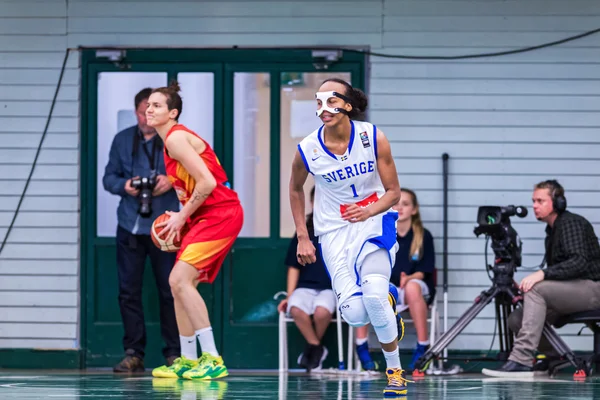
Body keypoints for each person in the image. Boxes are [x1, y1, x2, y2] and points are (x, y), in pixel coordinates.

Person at [289, 78, 410, 396]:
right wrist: (304, 235)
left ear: (347, 104)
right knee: (356, 316)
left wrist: (368, 211)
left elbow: (394, 192)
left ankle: (394, 373)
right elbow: (294, 189)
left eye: (331, 100)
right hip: (332, 231)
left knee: (372, 293)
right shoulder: (308, 149)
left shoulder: (373, 137)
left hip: (374, 221)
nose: (323, 108)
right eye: (318, 101)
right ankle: (387, 298)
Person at [144, 81, 244, 380]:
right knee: (179, 286)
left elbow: (208, 183)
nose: (150, 109)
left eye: (157, 105)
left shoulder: (176, 139)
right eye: (148, 105)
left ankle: (212, 358)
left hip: (221, 213)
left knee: (178, 279)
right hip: (204, 215)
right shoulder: (169, 142)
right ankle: (188, 359)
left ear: (172, 113)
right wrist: (185, 217)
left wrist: (179, 217)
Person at [482, 180, 600, 377]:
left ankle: (521, 360)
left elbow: (578, 263)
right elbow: (562, 271)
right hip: (576, 289)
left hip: (593, 288)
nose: (534, 205)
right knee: (516, 318)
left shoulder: (571, 223)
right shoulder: (552, 231)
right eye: (533, 201)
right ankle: (558, 358)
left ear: (558, 203)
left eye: (540, 201)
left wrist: (541, 275)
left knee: (537, 289)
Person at [102, 87, 181, 372]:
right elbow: (108, 177)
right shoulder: (122, 140)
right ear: (136, 112)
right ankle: (133, 352)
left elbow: (196, 171)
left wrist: (170, 180)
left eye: (153, 110)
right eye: (142, 111)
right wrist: (124, 186)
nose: (147, 116)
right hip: (130, 225)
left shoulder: (174, 140)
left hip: (165, 227)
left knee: (170, 291)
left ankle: (174, 353)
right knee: (128, 291)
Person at [278, 186, 336, 372]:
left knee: (321, 312)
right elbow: (293, 267)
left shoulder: (339, 229)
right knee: (295, 308)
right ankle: (316, 347)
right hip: (305, 287)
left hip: (330, 288)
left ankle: (312, 350)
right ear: (311, 203)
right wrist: (289, 294)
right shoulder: (303, 231)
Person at [390, 188, 436, 372]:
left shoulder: (423, 235)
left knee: (411, 287)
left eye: (405, 204)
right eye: (396, 203)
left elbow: (425, 271)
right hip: (393, 287)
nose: (400, 207)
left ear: (414, 210)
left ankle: (423, 346)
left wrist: (408, 278)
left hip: (418, 286)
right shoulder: (385, 234)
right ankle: (366, 351)